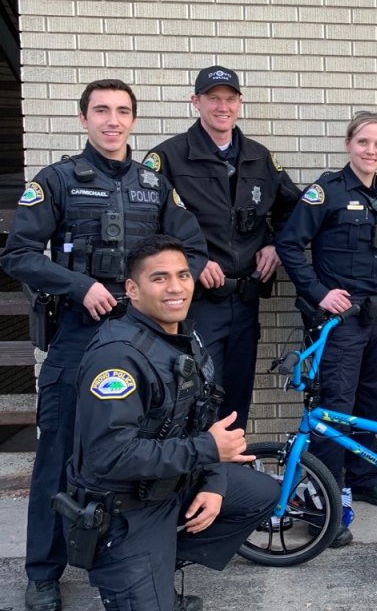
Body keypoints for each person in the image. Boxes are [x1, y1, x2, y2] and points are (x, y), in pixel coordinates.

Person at [0, 79, 207, 611]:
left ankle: (146, 569)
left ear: (133, 120)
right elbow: (19, 254)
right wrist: (80, 286)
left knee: (150, 451)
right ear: (84, 118)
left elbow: (194, 252)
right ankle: (43, 574)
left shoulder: (154, 185)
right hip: (80, 334)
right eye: (101, 111)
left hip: (145, 343)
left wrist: (159, 293)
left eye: (122, 111)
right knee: (58, 454)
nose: (112, 121)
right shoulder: (57, 180)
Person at [64, 236, 278, 611]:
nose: (176, 287)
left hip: (170, 485)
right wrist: (208, 449)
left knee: (262, 493)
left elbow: (201, 421)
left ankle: (159, 562)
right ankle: (140, 567)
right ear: (132, 289)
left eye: (183, 275)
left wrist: (213, 482)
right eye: (159, 278)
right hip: (126, 510)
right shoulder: (118, 357)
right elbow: (110, 456)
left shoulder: (181, 336)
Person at [277, 110, 377, 547]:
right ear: (349, 144)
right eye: (363, 142)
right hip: (340, 324)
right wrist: (318, 293)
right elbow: (289, 244)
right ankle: (323, 509)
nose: (371, 150)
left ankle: (364, 478)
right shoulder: (326, 191)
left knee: (369, 405)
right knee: (334, 411)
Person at [145, 65, 301, 428]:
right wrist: (191, 260)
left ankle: (231, 464)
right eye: (213, 98)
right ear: (196, 102)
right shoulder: (168, 158)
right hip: (196, 301)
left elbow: (293, 208)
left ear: (239, 103)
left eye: (230, 99)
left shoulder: (259, 157)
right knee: (197, 394)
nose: (222, 106)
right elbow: (148, 227)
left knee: (237, 398)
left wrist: (275, 245)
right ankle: (197, 464)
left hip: (245, 300)